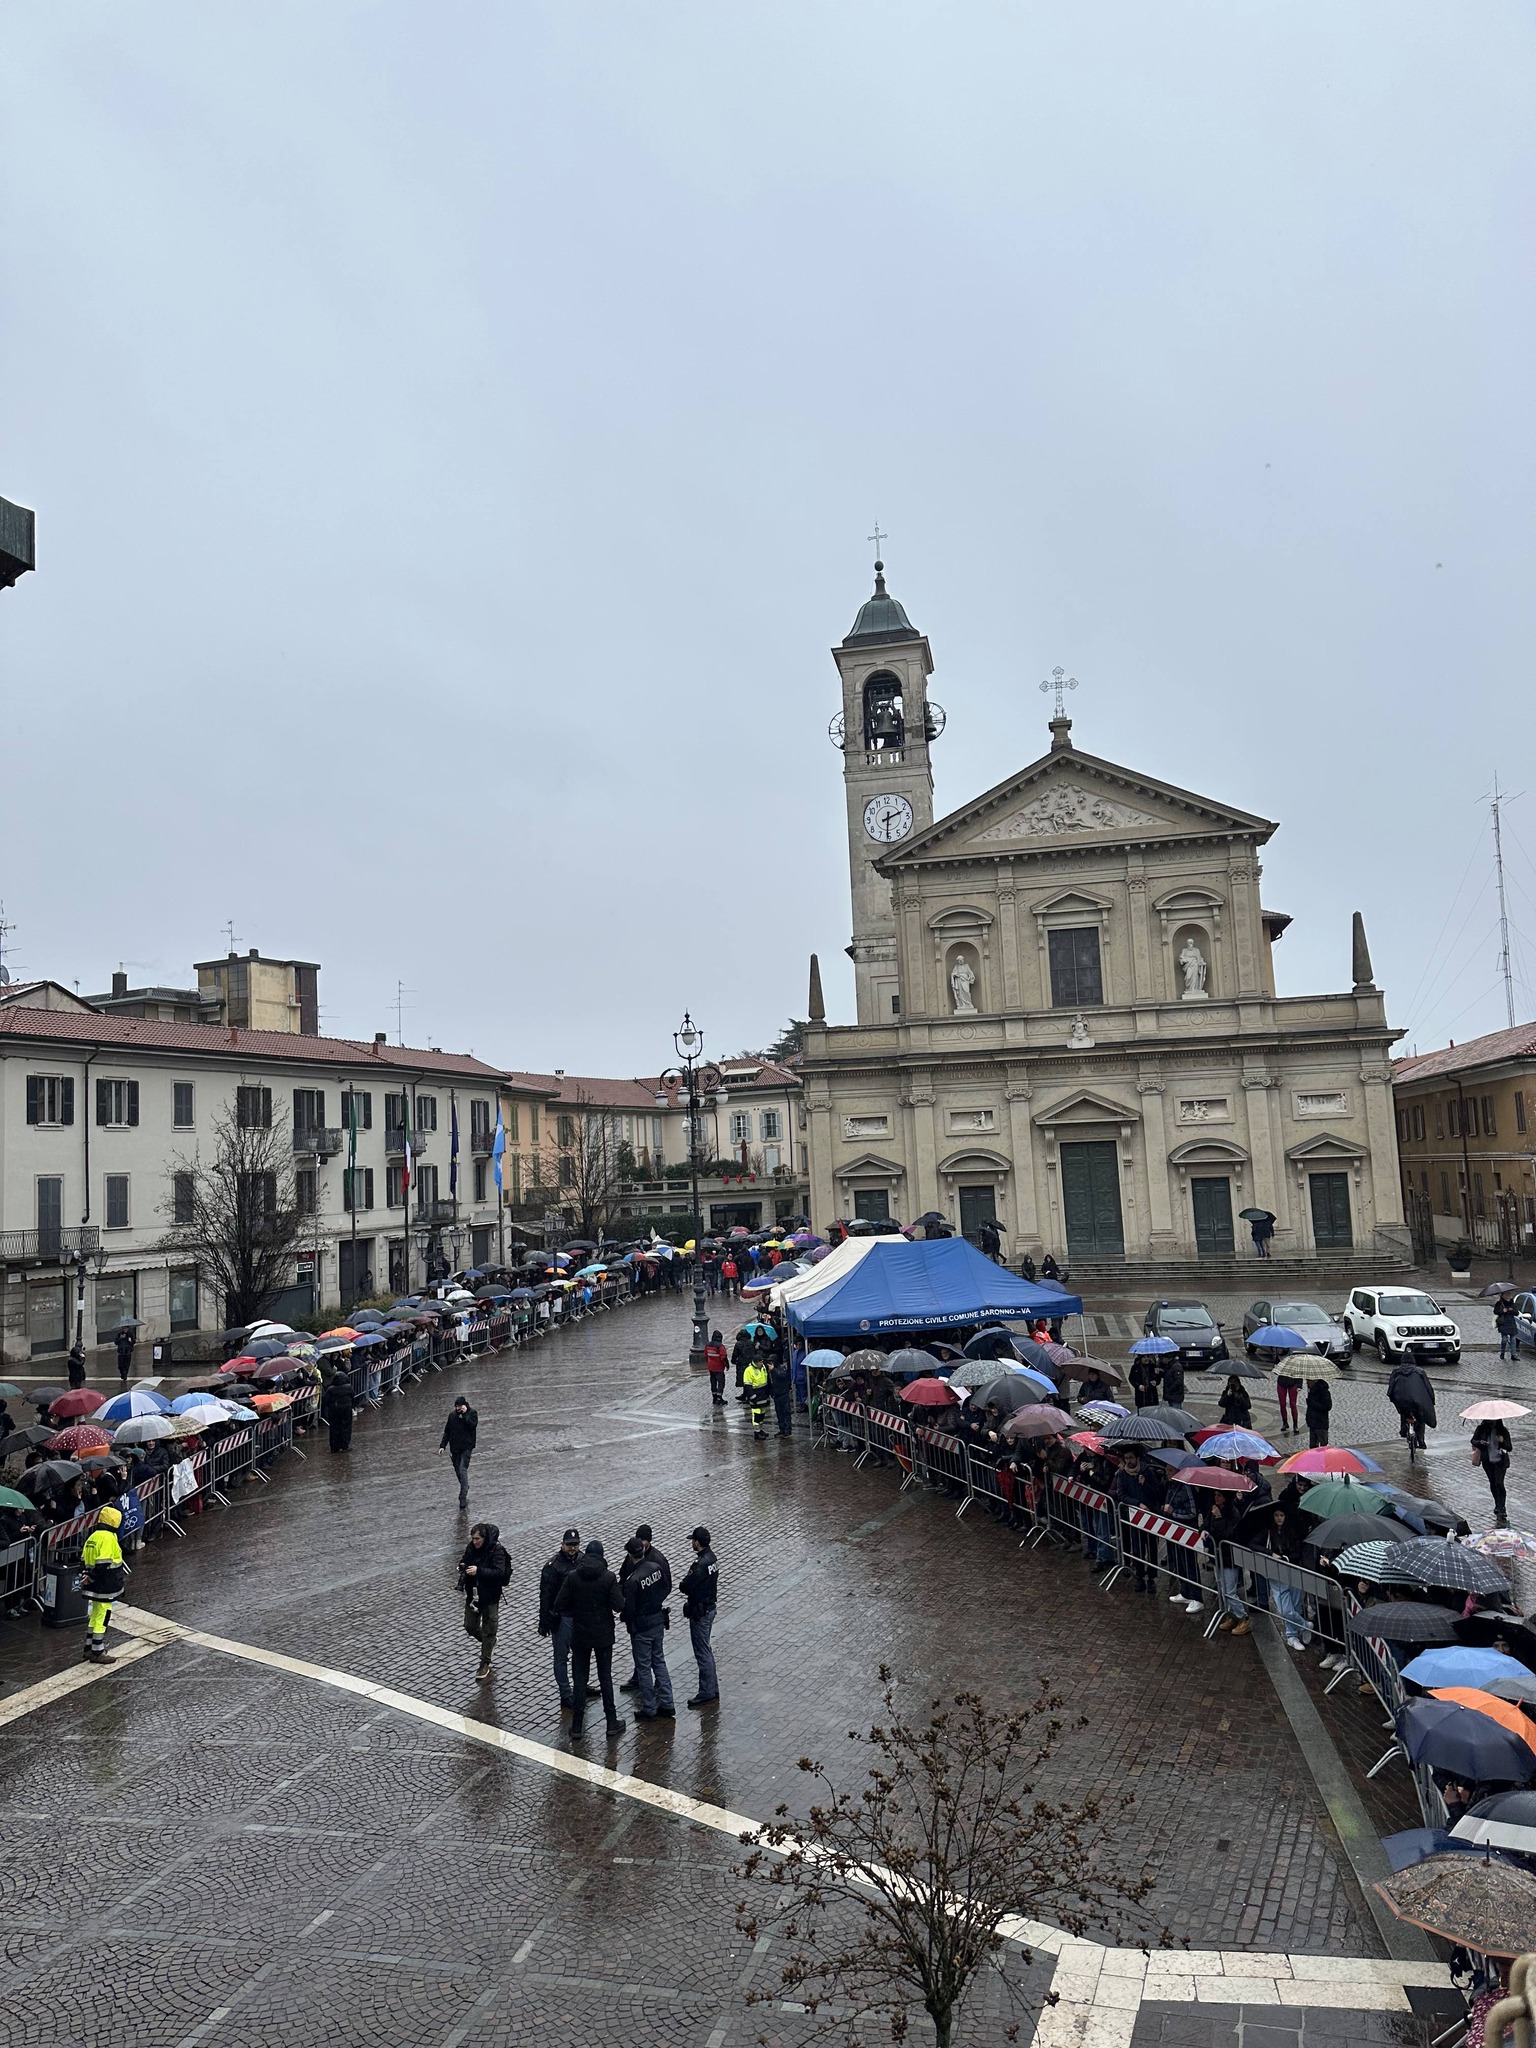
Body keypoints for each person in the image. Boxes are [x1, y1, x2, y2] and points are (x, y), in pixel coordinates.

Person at [552, 1539, 627, 1739]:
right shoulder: (608, 1578)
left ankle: (577, 1726)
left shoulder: (573, 1577)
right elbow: (619, 1605)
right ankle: (611, 1722)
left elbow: (559, 1604)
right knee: (605, 1678)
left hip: (580, 1635)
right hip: (603, 1635)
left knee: (580, 1679)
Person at [538, 1526, 594, 1712]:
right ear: (562, 1544)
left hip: (580, 1616)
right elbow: (545, 1595)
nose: (572, 1548)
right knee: (561, 1657)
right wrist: (544, 1621)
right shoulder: (553, 1567)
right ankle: (565, 1693)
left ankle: (580, 1685)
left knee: (581, 1654)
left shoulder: (583, 1560)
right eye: (569, 1545)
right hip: (562, 1618)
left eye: (575, 1544)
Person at [619, 1534, 674, 1719]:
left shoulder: (632, 1580)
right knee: (659, 1662)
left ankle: (649, 1708)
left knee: (643, 1668)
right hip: (657, 1621)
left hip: (642, 1628)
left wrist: (624, 1617)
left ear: (630, 1555)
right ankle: (667, 1702)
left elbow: (629, 1609)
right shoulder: (656, 1568)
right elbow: (665, 1587)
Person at [459, 1520, 510, 1681]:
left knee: (490, 1628)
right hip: (473, 1595)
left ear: (484, 1538)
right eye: (472, 1539)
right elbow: (465, 1559)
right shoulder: (471, 1548)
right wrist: (462, 1565)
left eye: (477, 1539)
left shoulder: (497, 1551)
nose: (474, 1542)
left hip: (490, 1596)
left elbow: (499, 1573)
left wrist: (479, 1571)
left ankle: (485, 1662)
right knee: (470, 1626)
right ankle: (489, 1642)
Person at [78, 1504, 126, 1661]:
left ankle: (88, 1647)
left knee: (95, 1615)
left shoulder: (93, 1536)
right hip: (105, 1585)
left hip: (94, 1585)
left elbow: (84, 1560)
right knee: (103, 1616)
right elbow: (103, 1563)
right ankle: (97, 1651)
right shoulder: (108, 1538)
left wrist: (87, 1575)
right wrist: (92, 1576)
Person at [679, 1525, 719, 1709]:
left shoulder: (700, 1564)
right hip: (709, 1608)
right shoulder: (712, 1558)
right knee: (706, 1649)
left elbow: (686, 1585)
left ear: (697, 1542)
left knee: (702, 1651)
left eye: (693, 1541)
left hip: (700, 1612)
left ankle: (707, 1691)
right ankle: (712, 1687)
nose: (692, 1544)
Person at [1386, 1361, 1436, 1455]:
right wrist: (1432, 1401)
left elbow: (1391, 1389)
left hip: (1401, 1401)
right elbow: (1428, 1388)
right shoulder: (1420, 1372)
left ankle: (1404, 1431)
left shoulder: (1396, 1372)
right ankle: (1421, 1440)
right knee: (1420, 1417)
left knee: (1403, 1412)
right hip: (1417, 1401)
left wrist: (1394, 1399)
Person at [1471, 1416, 1513, 1526]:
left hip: (1500, 1461)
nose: (1491, 1422)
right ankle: (1497, 1504)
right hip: (1487, 1461)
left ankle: (1502, 1507)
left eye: (1493, 1420)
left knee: (1499, 1483)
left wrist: (1503, 1441)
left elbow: (1509, 1447)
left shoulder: (1503, 1431)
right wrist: (1481, 1442)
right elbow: (1473, 1441)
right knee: (1493, 1483)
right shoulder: (1481, 1429)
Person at [439, 1396, 478, 1509]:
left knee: (462, 1468)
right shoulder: (452, 1416)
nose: (458, 1409)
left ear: (465, 1405)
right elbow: (447, 1431)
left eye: (460, 1407)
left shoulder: (472, 1413)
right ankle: (465, 1486)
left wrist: (465, 1415)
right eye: (457, 1407)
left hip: (467, 1447)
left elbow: (472, 1426)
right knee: (458, 1471)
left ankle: (462, 1497)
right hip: (455, 1448)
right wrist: (443, 1445)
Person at [319, 1371, 354, 1454]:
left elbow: (325, 1400)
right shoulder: (349, 1387)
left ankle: (334, 1447)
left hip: (334, 1410)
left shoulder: (331, 1389)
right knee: (346, 1428)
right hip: (346, 1409)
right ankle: (344, 1446)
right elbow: (353, 1396)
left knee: (334, 1428)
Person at [768, 1355, 794, 1438]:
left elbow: (782, 1375)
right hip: (776, 1395)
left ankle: (788, 1430)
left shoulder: (781, 1368)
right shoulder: (770, 1371)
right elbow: (770, 1383)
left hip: (783, 1394)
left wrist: (773, 1370)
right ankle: (782, 1429)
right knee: (779, 1414)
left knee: (786, 1413)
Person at [743, 1356, 769, 1439]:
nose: (761, 1364)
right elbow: (747, 1385)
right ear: (755, 1362)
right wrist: (752, 1397)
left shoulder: (763, 1367)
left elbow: (766, 1380)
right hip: (756, 1395)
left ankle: (760, 1430)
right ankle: (757, 1432)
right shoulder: (749, 1370)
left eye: (762, 1362)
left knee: (762, 1414)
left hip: (763, 1395)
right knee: (756, 1414)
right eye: (760, 1362)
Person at [1274, 1361, 1303, 1436]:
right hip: (1282, 1383)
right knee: (1282, 1403)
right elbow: (1277, 1371)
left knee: (1293, 1404)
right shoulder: (1283, 1363)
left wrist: (1299, 1385)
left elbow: (1300, 1374)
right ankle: (1285, 1422)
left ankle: (1295, 1424)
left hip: (1293, 1384)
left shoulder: (1297, 1365)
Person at [1304, 1377, 1332, 1449]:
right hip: (1313, 1423)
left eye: (1308, 1381)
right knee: (1313, 1447)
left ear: (1314, 1381)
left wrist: (1312, 1403)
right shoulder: (1312, 1391)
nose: (1307, 1383)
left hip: (1320, 1424)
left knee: (1323, 1447)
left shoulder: (1323, 1391)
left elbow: (1327, 1406)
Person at [704, 1330, 728, 1407]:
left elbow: (705, 1355)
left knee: (713, 1382)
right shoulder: (720, 1346)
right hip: (719, 1368)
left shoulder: (708, 1345)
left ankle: (714, 1397)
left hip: (711, 1367)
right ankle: (719, 1397)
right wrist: (727, 1364)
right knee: (721, 1382)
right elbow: (723, 1357)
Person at [1494, 1292, 1520, 1362]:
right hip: (1503, 1323)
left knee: (1513, 1339)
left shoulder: (1512, 1303)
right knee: (1504, 1339)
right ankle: (1502, 1353)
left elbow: (1516, 1313)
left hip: (1511, 1323)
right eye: (1507, 1295)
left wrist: (1511, 1310)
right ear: (1503, 1296)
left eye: (1510, 1295)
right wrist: (1503, 1311)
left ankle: (1513, 1354)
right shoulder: (1499, 1303)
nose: (1509, 1296)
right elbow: (1495, 1311)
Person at [113, 1323, 137, 1388]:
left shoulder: (130, 1334)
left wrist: (130, 1340)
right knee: (120, 1365)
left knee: (126, 1364)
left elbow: (134, 1342)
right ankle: (122, 1373)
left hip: (128, 1351)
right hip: (121, 1351)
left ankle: (125, 1374)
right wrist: (120, 1338)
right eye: (124, 1328)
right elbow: (116, 1342)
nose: (125, 1329)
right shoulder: (119, 1334)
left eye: (126, 1328)